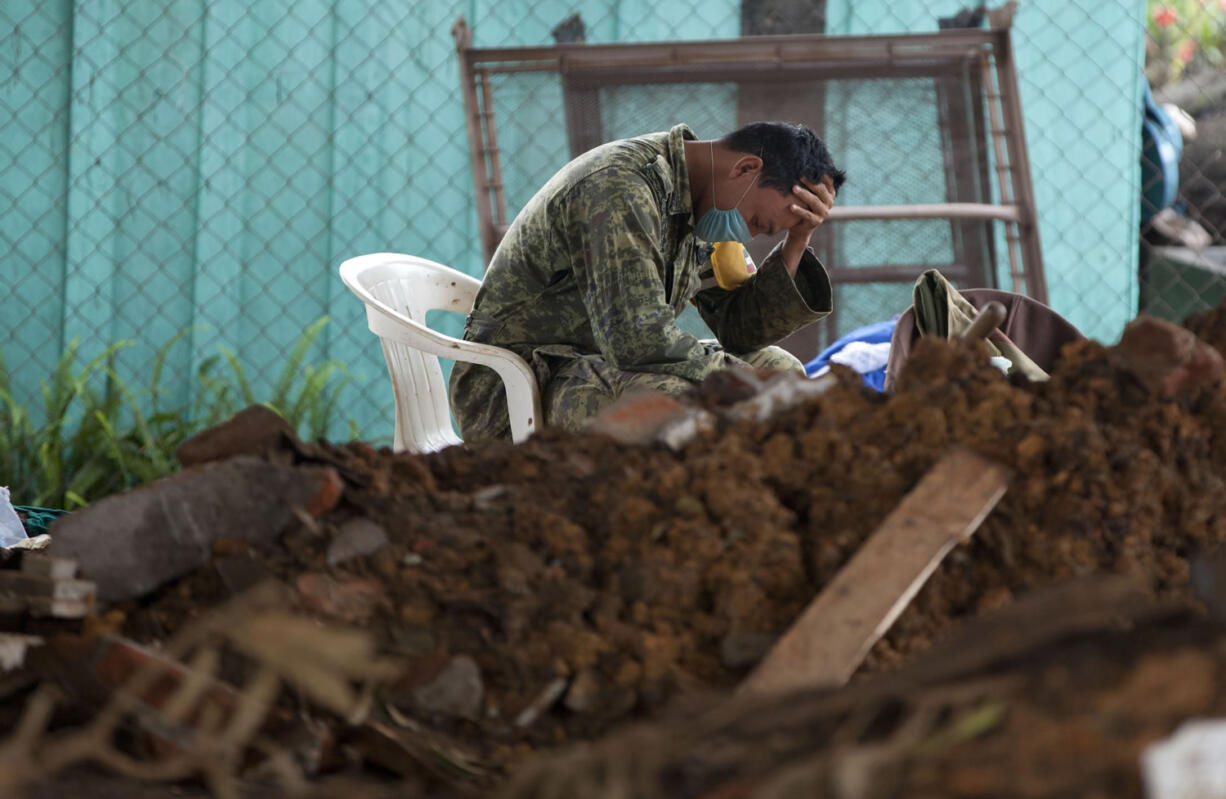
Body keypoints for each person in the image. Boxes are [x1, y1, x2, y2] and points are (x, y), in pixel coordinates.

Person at [449, 121, 845, 442]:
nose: (750, 234)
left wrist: (797, 241)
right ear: (744, 170)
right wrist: (741, 379)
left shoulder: (703, 205)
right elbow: (636, 339)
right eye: (759, 222)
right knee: (678, 406)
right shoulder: (621, 187)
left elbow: (740, 332)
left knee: (780, 369)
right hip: (514, 387)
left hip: (599, 368)